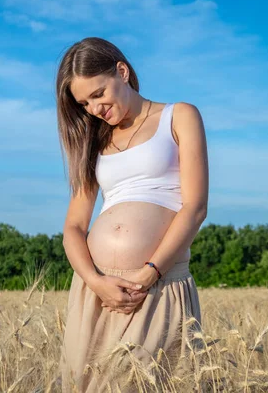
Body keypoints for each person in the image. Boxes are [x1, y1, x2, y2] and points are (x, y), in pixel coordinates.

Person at [56, 37, 209, 392]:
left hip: (155, 285)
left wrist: (147, 274)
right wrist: (95, 282)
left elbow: (196, 207)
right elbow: (74, 227)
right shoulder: (93, 141)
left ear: (121, 72)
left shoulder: (179, 115)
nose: (94, 108)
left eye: (98, 94)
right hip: (97, 291)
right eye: (84, 103)